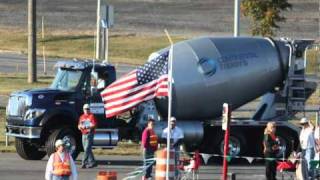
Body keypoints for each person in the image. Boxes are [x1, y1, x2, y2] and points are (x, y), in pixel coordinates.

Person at [78, 103, 97, 168]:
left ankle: (84, 162)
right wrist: (80, 127)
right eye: (85, 109)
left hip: (90, 134)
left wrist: (87, 126)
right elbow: (79, 125)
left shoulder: (91, 116)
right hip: (83, 134)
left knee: (87, 149)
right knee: (87, 149)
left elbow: (94, 125)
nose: (87, 110)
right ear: (83, 109)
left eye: (88, 109)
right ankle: (93, 162)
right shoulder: (81, 117)